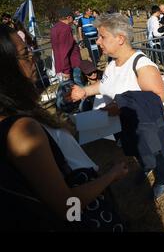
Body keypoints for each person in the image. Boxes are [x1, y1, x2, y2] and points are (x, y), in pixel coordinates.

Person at [0, 24, 128, 231]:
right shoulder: (21, 131)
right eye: (25, 53)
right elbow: (67, 207)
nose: (34, 57)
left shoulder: (18, 115)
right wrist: (110, 177)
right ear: (6, 68)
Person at [70, 13, 164, 200]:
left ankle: (163, 178)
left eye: (102, 36)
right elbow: (104, 85)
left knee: (158, 155)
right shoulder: (112, 65)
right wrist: (85, 91)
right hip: (124, 126)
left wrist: (121, 106)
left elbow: (157, 98)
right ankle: (147, 167)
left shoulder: (142, 65)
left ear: (120, 39)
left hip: (148, 128)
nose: (98, 41)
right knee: (137, 152)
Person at [50, 8, 83, 85]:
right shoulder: (66, 29)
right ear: (68, 17)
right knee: (78, 88)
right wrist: (66, 70)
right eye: (73, 18)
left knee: (68, 91)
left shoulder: (54, 28)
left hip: (61, 66)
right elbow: (64, 51)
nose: (74, 20)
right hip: (71, 65)